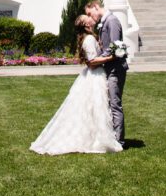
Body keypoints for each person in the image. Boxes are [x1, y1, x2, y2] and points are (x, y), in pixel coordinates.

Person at [29, 14, 123, 155]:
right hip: (95, 75)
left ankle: (94, 137)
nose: (91, 19)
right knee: (96, 107)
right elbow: (91, 63)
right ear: (86, 25)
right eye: (88, 19)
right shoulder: (89, 39)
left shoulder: (90, 37)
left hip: (94, 74)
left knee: (94, 109)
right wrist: (112, 57)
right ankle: (96, 139)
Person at [85, 0, 128, 145]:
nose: (91, 18)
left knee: (115, 103)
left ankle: (119, 141)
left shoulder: (112, 21)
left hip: (116, 68)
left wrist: (98, 59)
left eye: (90, 14)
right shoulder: (105, 22)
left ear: (96, 7)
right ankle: (112, 136)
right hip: (109, 67)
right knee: (109, 103)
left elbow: (115, 46)